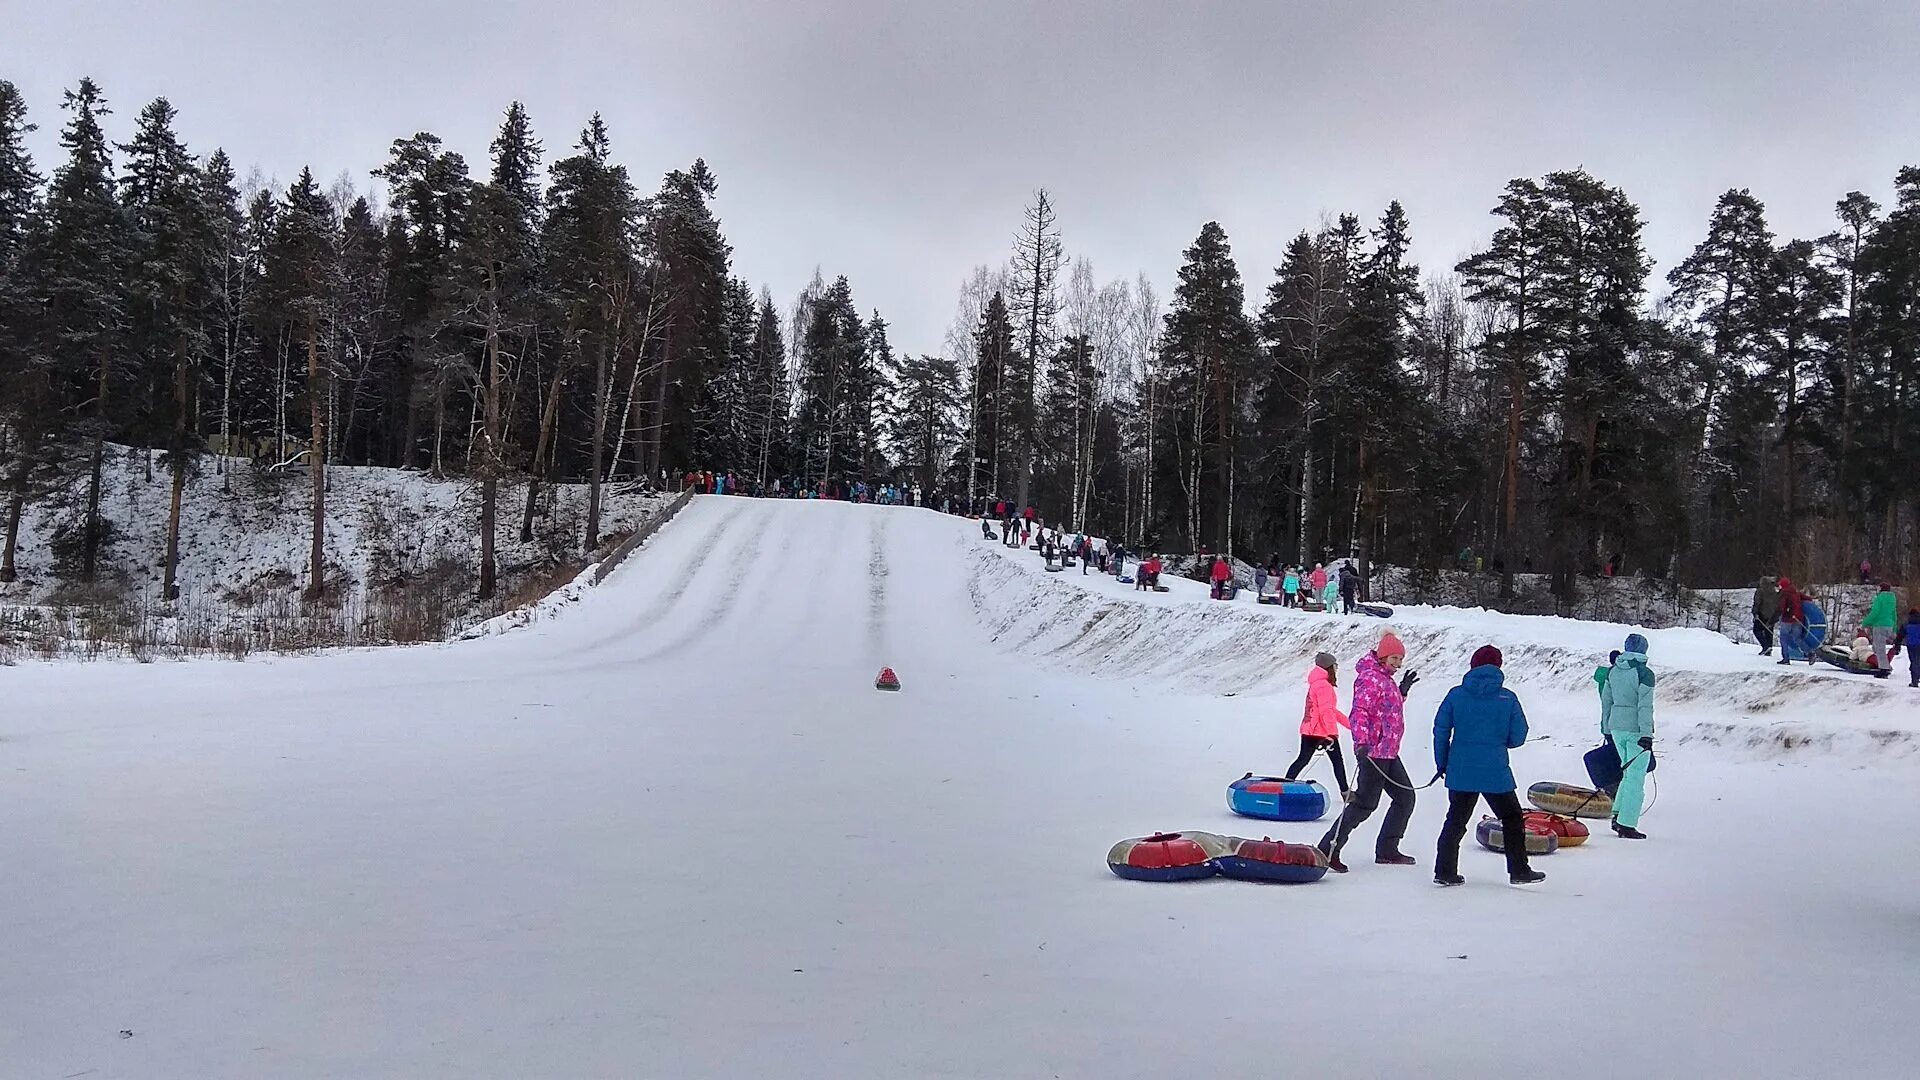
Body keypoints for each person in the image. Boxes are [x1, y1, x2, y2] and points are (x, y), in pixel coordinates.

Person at [1432, 645, 1545, 886]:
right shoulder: (1508, 698)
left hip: (1461, 768)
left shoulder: (1456, 695)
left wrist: (1442, 763)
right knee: (1512, 817)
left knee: (1455, 820)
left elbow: (1441, 731)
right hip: (1495, 769)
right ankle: (1519, 869)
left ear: (1472, 666)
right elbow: (1519, 735)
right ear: (1499, 667)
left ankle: (1445, 871)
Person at [1318, 631, 1421, 873]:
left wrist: (1402, 692)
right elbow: (1360, 712)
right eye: (1394, 658)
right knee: (1365, 804)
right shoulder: (1370, 678)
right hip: (1373, 752)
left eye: (1400, 659)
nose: (1398, 663)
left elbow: (1386, 710)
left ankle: (1387, 849)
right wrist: (1361, 743)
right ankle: (1328, 849)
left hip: (1389, 751)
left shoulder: (1386, 679)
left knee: (1405, 798)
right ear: (1383, 656)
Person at [1600, 633, 1656, 839]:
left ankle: (1618, 814)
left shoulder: (1613, 671)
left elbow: (1606, 701)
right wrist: (1646, 733)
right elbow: (1645, 706)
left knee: (1627, 773)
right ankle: (1627, 823)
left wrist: (1606, 727)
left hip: (1616, 727)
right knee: (1636, 777)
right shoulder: (1645, 673)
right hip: (1635, 729)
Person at [1284, 652, 1352, 800]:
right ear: (1329, 667)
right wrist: (1330, 734)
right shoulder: (1323, 686)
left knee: (1302, 759)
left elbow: (1331, 711)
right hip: (1321, 732)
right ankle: (1346, 794)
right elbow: (1325, 711)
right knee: (1337, 762)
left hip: (1310, 730)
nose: (1336, 669)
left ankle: (1285, 786)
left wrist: (1351, 725)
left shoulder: (1317, 683)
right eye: (1335, 666)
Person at [1862, 581, 1898, 672]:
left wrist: (1866, 622)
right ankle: (1882, 664)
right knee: (1877, 647)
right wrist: (1894, 627)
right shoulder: (1892, 599)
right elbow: (1894, 614)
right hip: (1889, 625)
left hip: (1879, 625)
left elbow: (1875, 612)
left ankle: (1883, 668)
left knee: (1879, 647)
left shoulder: (1880, 598)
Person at [1776, 579, 1808, 665]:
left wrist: (1778, 615)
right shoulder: (1796, 592)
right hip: (1798, 618)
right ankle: (1810, 653)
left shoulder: (1784, 593)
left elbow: (1782, 607)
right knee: (1797, 638)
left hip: (1787, 619)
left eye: (1780, 585)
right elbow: (1806, 598)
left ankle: (1786, 658)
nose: (1779, 587)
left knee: (1784, 638)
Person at [1752, 576, 1781, 656]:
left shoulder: (1760, 591)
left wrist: (1755, 613)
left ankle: (1765, 646)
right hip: (1772, 615)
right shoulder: (1774, 591)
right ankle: (1769, 648)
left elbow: (1757, 602)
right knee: (1769, 631)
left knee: (1757, 630)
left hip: (1762, 614)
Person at [1899, 609, 1920, 688]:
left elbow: (1900, 636)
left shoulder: (1906, 624)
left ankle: (1914, 681)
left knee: (1914, 661)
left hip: (1912, 646)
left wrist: (1897, 645)